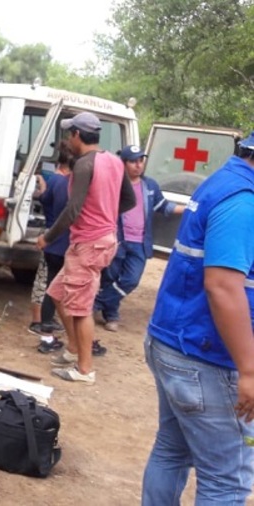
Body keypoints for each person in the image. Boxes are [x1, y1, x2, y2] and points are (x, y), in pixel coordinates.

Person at [141, 132, 254, 504]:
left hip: (173, 343)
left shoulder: (222, 181)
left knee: (172, 452)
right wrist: (250, 371)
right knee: (227, 479)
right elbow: (221, 286)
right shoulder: (244, 202)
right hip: (206, 359)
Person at [37, 112, 135, 384]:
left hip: (89, 243)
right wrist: (104, 212)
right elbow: (128, 200)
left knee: (80, 308)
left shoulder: (83, 165)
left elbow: (73, 209)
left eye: (70, 134)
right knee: (57, 293)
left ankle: (84, 369)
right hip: (100, 239)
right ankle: (73, 348)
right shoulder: (114, 161)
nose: (69, 138)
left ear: (78, 135)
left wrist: (48, 237)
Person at [93, 145, 185, 332]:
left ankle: (95, 304)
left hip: (139, 243)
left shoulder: (149, 185)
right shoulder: (114, 183)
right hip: (116, 239)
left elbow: (164, 207)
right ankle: (111, 315)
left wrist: (190, 208)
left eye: (141, 161)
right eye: (133, 161)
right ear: (123, 163)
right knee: (110, 277)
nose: (138, 165)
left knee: (131, 280)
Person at [29, 141, 72, 352]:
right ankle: (48, 335)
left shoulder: (55, 180)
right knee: (56, 290)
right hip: (62, 242)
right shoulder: (67, 184)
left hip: (50, 240)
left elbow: (45, 199)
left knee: (48, 286)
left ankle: (46, 336)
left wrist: (41, 183)